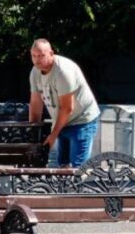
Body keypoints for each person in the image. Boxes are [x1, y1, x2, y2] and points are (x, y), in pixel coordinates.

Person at [28, 39, 100, 167]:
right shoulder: (35, 72)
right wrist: (32, 135)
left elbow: (67, 108)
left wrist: (53, 136)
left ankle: (79, 185)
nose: (37, 60)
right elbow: (35, 104)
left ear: (51, 53)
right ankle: (66, 186)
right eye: (34, 56)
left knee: (78, 168)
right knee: (63, 165)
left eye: (41, 56)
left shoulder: (63, 71)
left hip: (81, 120)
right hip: (63, 121)